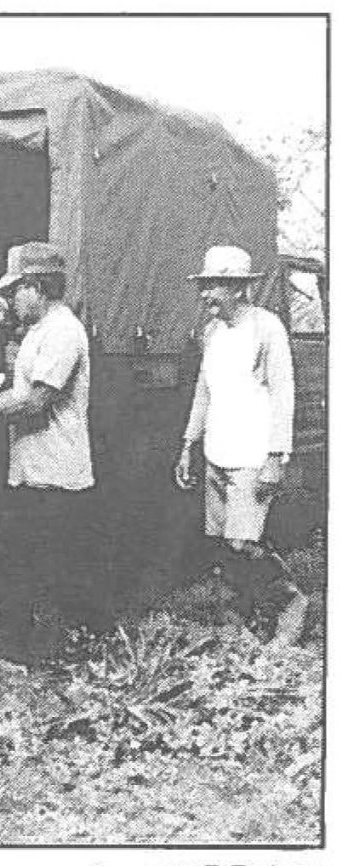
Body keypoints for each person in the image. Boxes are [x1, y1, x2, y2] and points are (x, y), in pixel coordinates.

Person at [0, 240, 97, 666]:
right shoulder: (38, 332)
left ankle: (45, 658)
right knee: (19, 560)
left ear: (38, 287)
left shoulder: (64, 332)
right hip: (31, 467)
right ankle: (19, 655)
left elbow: (36, 401)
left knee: (44, 566)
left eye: (15, 291)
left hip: (56, 471)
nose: (10, 301)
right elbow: (17, 391)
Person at [174, 245, 308, 642]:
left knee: (243, 541)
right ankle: (245, 620)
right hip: (217, 450)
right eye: (204, 285)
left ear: (237, 288)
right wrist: (188, 444)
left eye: (213, 286)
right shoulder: (212, 331)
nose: (204, 294)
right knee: (222, 543)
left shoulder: (267, 327)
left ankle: (292, 602)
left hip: (252, 454)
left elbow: (285, 394)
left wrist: (275, 458)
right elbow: (204, 392)